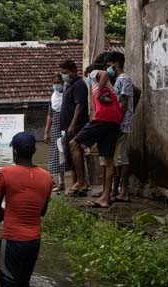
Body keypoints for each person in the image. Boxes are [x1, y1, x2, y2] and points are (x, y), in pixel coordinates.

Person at [0, 132, 52, 287]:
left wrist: (4, 216)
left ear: (15, 152)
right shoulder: (47, 177)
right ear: (34, 150)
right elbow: (42, 212)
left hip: (12, 240)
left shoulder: (5, 173)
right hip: (34, 241)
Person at [68, 65, 122, 208]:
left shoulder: (93, 74)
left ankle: (81, 181)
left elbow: (104, 74)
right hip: (115, 120)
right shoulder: (110, 88)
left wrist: (98, 94)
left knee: (73, 144)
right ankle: (105, 198)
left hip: (102, 119)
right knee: (109, 159)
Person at [106, 51, 135, 202]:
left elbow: (123, 103)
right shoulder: (118, 79)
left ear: (116, 63)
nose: (108, 68)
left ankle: (124, 190)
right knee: (117, 158)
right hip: (118, 122)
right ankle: (118, 190)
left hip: (122, 123)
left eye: (109, 65)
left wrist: (118, 121)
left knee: (121, 157)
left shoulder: (124, 79)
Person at [59, 59, 89, 195]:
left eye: (65, 72)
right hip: (67, 127)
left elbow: (79, 106)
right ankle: (76, 184)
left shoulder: (79, 85)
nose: (64, 75)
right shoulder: (69, 85)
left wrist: (72, 124)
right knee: (70, 157)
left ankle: (82, 181)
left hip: (76, 126)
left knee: (75, 149)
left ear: (73, 70)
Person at [43, 74, 67, 192]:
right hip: (55, 129)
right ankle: (61, 182)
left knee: (68, 155)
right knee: (57, 156)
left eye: (59, 82)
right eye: (55, 83)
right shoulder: (52, 98)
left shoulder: (67, 95)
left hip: (67, 128)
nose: (57, 85)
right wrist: (46, 132)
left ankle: (77, 182)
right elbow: (50, 115)